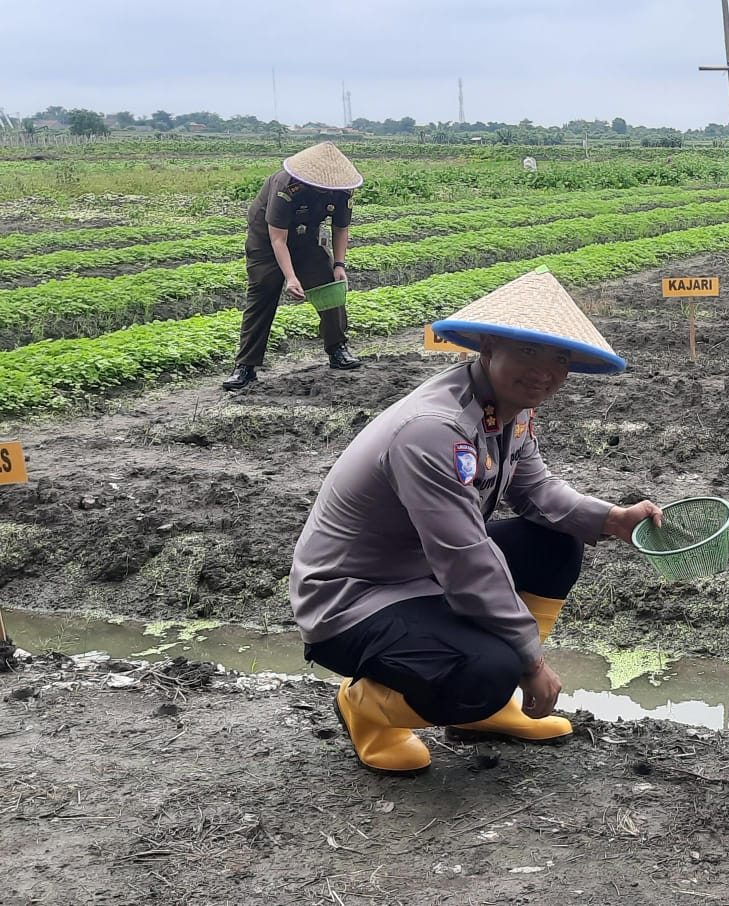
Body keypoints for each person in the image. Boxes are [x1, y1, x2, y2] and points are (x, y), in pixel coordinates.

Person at [289, 271, 663, 774]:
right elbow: (465, 559)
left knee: (555, 543)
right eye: (529, 351)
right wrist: (531, 663)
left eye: (560, 358)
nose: (545, 371)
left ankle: (488, 713)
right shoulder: (432, 431)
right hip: (355, 597)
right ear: (488, 345)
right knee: (487, 671)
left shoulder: (509, 410)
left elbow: (535, 492)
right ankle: (368, 710)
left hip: (424, 574)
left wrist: (612, 519)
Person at [224, 141, 364, 391]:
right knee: (262, 293)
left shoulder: (343, 191)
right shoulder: (286, 186)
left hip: (306, 236)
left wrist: (340, 264)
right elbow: (278, 239)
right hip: (266, 241)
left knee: (329, 287)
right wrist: (290, 277)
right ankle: (245, 366)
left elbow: (340, 228)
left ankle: (337, 349)